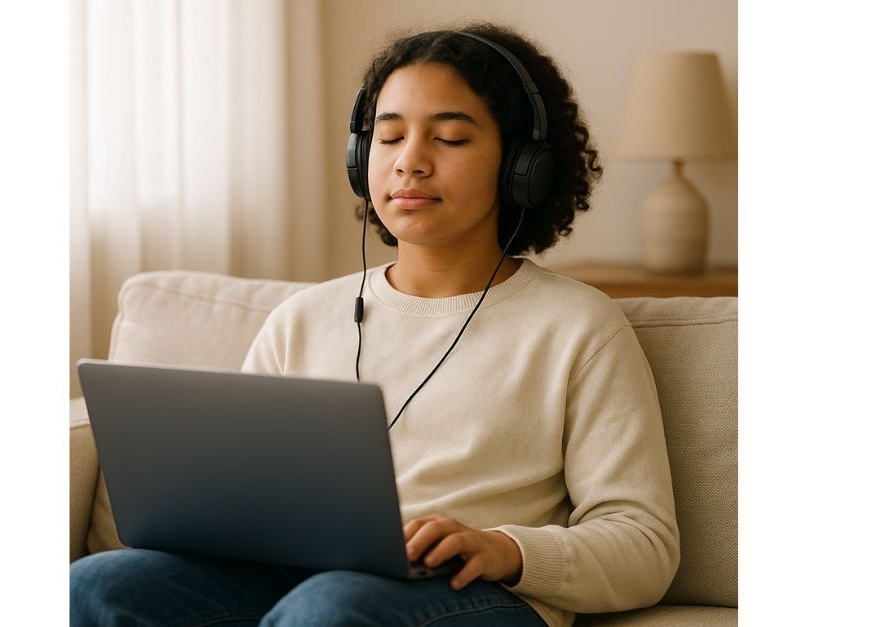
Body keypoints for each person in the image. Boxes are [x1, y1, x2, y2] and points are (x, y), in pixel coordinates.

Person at [70, 22, 679, 627]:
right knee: (96, 586)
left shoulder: (577, 327)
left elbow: (644, 545)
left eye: (450, 138)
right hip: (301, 579)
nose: (410, 162)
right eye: (388, 138)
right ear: (361, 158)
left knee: (328, 610)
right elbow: (244, 498)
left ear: (522, 166)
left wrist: (505, 549)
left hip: (473, 592)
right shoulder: (300, 321)